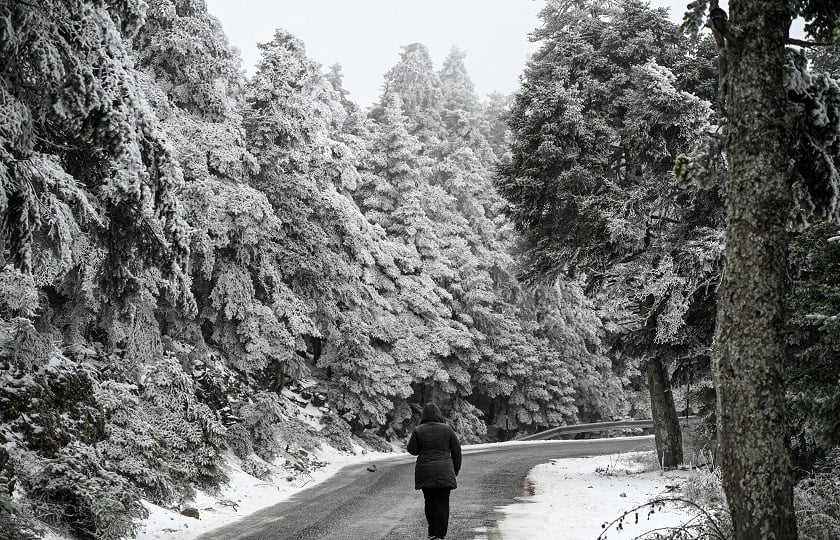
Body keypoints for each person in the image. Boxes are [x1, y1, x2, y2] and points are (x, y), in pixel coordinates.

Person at [407, 403, 462, 540]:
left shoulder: (418, 430)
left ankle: (432, 532)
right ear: (439, 414)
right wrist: (455, 470)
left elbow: (412, 450)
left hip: (426, 472)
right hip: (445, 471)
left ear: (423, 415)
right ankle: (440, 534)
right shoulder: (447, 429)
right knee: (443, 503)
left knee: (430, 502)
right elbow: (456, 451)